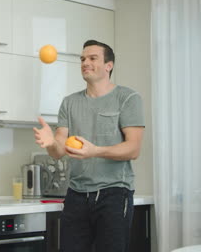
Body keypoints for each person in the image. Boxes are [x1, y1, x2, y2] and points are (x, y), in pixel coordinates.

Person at [33, 39, 144, 252]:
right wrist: (49, 143)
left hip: (114, 193)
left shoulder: (127, 98)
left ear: (108, 65)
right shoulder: (69, 102)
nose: (85, 62)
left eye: (93, 58)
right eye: (83, 59)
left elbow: (133, 148)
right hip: (76, 195)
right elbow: (58, 151)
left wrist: (96, 151)